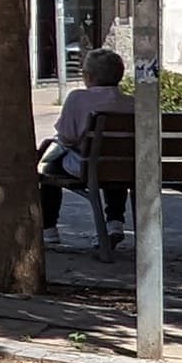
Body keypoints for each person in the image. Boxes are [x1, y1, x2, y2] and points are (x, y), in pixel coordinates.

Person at [40, 49, 131, 239]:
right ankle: (115, 222)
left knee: (50, 168)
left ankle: (48, 229)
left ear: (88, 76)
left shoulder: (78, 98)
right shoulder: (132, 103)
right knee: (116, 164)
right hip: (126, 167)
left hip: (86, 166)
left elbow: (66, 137)